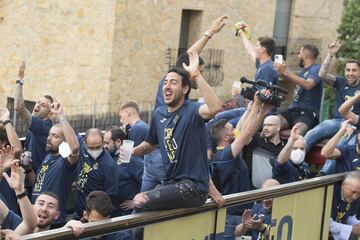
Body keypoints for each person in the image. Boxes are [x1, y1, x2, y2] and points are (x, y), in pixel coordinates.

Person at [128, 50, 222, 212]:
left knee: (141, 200)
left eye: (173, 82)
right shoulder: (159, 114)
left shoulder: (193, 111)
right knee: (138, 215)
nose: (167, 86)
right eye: (165, 82)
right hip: (170, 183)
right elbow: (150, 144)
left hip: (194, 186)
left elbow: (215, 107)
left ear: (185, 89)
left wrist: (196, 75)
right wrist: (133, 151)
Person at [210, 93, 273, 240]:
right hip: (231, 217)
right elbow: (247, 132)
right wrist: (259, 108)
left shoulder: (226, 151)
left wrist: (254, 110)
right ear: (225, 138)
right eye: (231, 130)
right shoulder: (224, 156)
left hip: (240, 214)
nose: (235, 130)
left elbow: (244, 129)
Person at [304, 41, 360, 152]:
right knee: (311, 134)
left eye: (354, 70)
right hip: (336, 122)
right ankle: (293, 164)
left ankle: (325, 171)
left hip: (353, 125)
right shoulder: (341, 82)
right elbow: (321, 75)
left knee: (339, 146)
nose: (350, 73)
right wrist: (330, 55)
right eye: (348, 70)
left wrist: (354, 127)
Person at [31, 101, 80, 227]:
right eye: (49, 134)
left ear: (64, 141)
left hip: (53, 221)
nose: (48, 138)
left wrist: (61, 115)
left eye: (54, 136)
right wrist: (26, 169)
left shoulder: (65, 162)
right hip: (36, 217)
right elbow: (36, 183)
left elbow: (74, 148)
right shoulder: (47, 157)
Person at [14, 62, 54, 172]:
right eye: (38, 102)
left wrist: (20, 78)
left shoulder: (43, 127)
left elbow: (19, 107)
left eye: (43, 105)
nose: (38, 105)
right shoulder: (34, 127)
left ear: (49, 114)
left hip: (38, 182)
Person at [275, 44, 322, 135]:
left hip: (307, 113)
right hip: (293, 110)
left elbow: (308, 85)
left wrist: (285, 72)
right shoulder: (304, 71)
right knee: (271, 123)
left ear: (305, 55)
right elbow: (295, 81)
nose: (298, 56)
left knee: (297, 132)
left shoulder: (316, 69)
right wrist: (282, 73)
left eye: (299, 53)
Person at [75, 128, 118, 219]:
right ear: (86, 144)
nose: (94, 150)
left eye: (98, 147)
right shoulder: (83, 149)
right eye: (91, 148)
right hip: (79, 210)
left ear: (103, 143)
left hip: (92, 216)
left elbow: (110, 196)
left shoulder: (109, 165)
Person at [103, 126, 143, 216]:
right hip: (112, 210)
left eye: (107, 143)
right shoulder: (108, 157)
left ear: (118, 142)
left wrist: (137, 202)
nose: (104, 146)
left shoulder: (132, 160)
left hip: (127, 212)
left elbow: (147, 182)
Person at [242, 114, 286, 188]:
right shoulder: (255, 142)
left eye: (270, 125)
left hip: (280, 191)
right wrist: (251, 110)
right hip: (256, 192)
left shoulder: (286, 146)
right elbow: (244, 132)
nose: (265, 128)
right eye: (264, 125)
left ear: (278, 127)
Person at [0, 107, 24, 215]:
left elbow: (17, 149)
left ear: (3, 142)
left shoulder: (7, 157)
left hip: (9, 216)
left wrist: (5, 119)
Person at [330, 172, 360, 240]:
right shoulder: (331, 193)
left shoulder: (357, 194)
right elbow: (327, 223)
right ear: (343, 185)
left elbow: (350, 218)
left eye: (358, 194)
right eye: (353, 192)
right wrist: (352, 229)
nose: (355, 196)